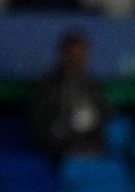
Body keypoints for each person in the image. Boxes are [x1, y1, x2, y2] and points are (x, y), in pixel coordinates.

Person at [28, 30, 110, 160]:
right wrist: (61, 133)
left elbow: (104, 114)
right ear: (63, 56)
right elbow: (38, 123)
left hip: (90, 144)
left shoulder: (92, 86)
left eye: (80, 55)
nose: (76, 60)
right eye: (72, 55)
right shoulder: (47, 87)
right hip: (59, 147)